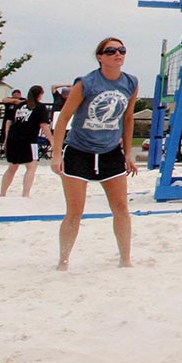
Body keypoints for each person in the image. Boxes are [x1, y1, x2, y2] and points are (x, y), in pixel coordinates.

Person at [50, 38, 139, 270]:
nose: (117, 54)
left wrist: (128, 153)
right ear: (100, 57)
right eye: (111, 51)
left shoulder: (130, 82)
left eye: (121, 50)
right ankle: (64, 260)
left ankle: (125, 260)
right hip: (79, 151)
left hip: (110, 152)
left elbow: (128, 118)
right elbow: (64, 119)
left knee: (120, 207)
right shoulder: (86, 83)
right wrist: (56, 154)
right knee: (75, 211)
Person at [1, 85, 53, 197]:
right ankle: (25, 193)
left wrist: (6, 138)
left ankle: (2, 193)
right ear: (40, 95)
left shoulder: (19, 105)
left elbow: (8, 122)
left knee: (12, 167)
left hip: (13, 138)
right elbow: (44, 125)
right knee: (31, 166)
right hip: (29, 140)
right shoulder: (40, 107)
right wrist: (52, 140)